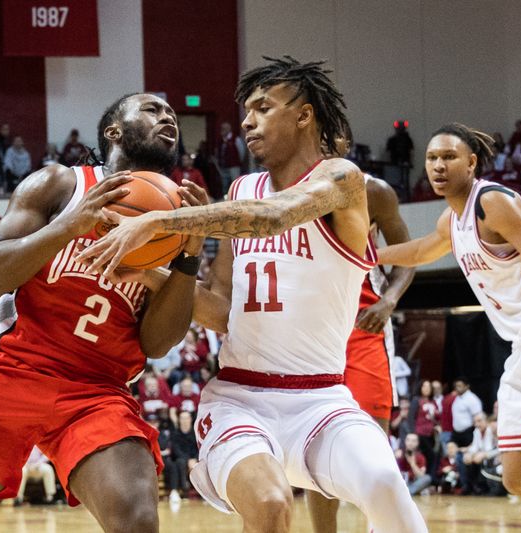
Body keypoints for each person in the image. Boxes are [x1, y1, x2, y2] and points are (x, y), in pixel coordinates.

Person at [77, 56, 426, 533]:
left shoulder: (342, 180)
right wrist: (150, 269)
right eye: (247, 111)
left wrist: (159, 222)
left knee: (385, 482)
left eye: (262, 108)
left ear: (303, 116)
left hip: (323, 399)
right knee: (269, 503)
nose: (246, 120)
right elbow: (223, 313)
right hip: (240, 397)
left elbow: (274, 217)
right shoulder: (244, 187)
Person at [0, 92, 206, 533]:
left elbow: (157, 342)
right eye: (151, 110)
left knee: (138, 522)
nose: (167, 117)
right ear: (114, 132)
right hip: (15, 373)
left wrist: (189, 256)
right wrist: (69, 226)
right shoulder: (59, 185)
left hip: (97, 391)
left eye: (171, 114)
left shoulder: (173, 219)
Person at [378, 123, 521, 530]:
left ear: (471, 162)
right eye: (431, 158)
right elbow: (422, 250)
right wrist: (367, 255)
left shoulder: (492, 203)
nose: (438, 165)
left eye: (448, 157)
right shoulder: (452, 220)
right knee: (516, 474)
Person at [306, 127, 416, 533]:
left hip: (362, 327)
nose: (323, 147)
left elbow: (407, 257)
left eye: (330, 140)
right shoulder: (282, 193)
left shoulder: (376, 192)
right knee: (315, 447)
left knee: (373, 447)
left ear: (345, 145)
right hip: (309, 333)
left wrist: (389, 300)